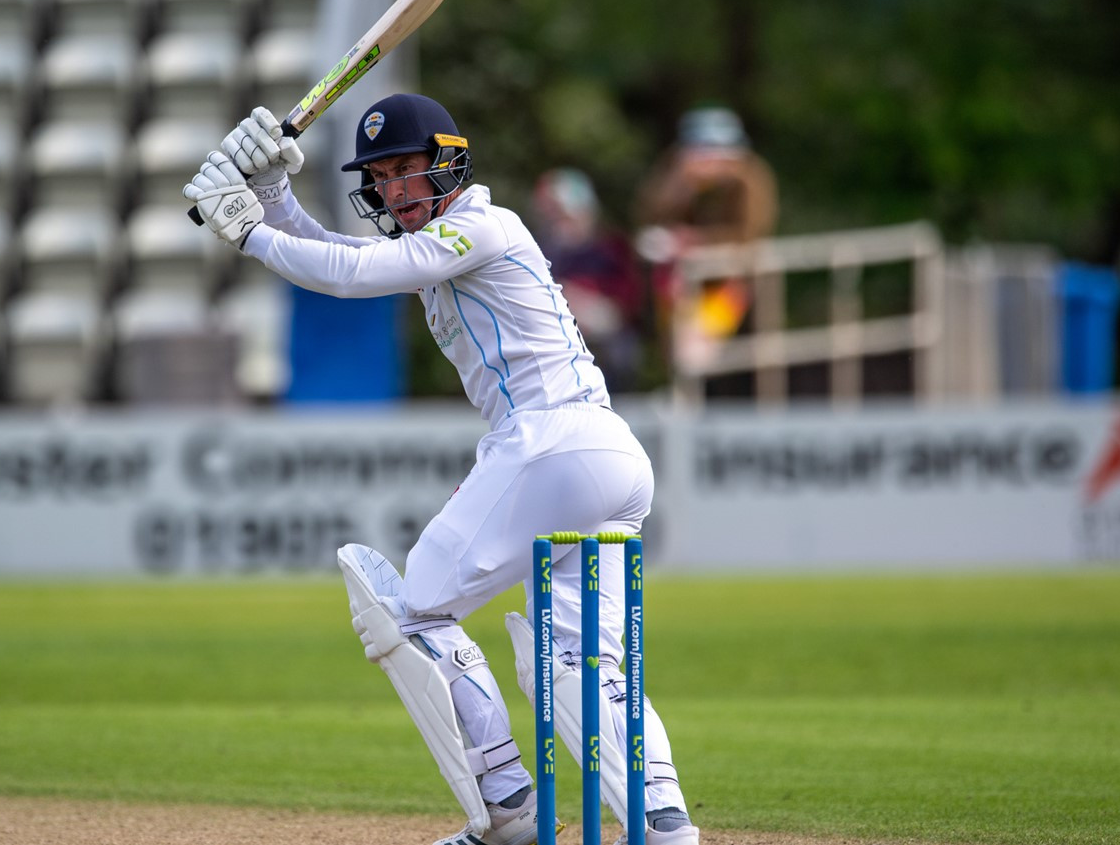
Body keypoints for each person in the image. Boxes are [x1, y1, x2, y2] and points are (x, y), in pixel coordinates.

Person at [183, 95, 702, 845]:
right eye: (381, 176)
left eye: (405, 169)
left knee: (410, 609)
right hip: (607, 454)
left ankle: (509, 810)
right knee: (574, 660)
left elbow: (349, 274)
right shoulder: (444, 247)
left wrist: (251, 233)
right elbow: (345, 255)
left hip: (550, 440)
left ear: (446, 161)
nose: (394, 189)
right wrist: (271, 199)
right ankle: (662, 821)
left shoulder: (481, 225)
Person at [634, 106, 777, 374]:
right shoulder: (678, 171)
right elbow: (649, 216)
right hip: (679, 277)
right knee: (679, 347)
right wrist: (681, 186)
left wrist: (696, 240)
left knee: (694, 351)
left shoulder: (750, 179)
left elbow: (750, 235)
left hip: (728, 279)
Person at [529, 167, 646, 392]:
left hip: (602, 323)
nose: (556, 222)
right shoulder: (539, 248)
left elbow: (627, 302)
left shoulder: (610, 247)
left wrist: (582, 299)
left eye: (561, 213)